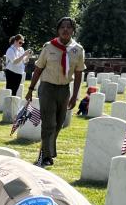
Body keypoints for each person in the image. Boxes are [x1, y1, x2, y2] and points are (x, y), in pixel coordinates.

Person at [24, 17, 85, 168]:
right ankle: (45, 155)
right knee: (49, 123)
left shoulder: (78, 50)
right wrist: (31, 89)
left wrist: (75, 96)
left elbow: (78, 74)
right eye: (62, 27)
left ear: (73, 30)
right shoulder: (49, 47)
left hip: (64, 89)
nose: (65, 30)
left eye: (69, 27)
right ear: (58, 30)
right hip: (47, 88)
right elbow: (38, 68)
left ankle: (47, 151)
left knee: (58, 124)